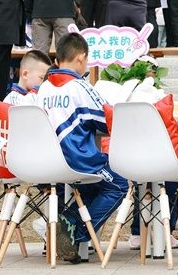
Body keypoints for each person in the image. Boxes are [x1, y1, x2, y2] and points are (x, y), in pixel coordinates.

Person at [35, 33, 127, 263]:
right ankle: (74, 232)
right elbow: (107, 121)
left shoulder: (43, 88)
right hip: (78, 160)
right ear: (81, 57)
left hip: (47, 162)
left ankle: (62, 226)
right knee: (119, 184)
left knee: (92, 187)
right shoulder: (79, 86)